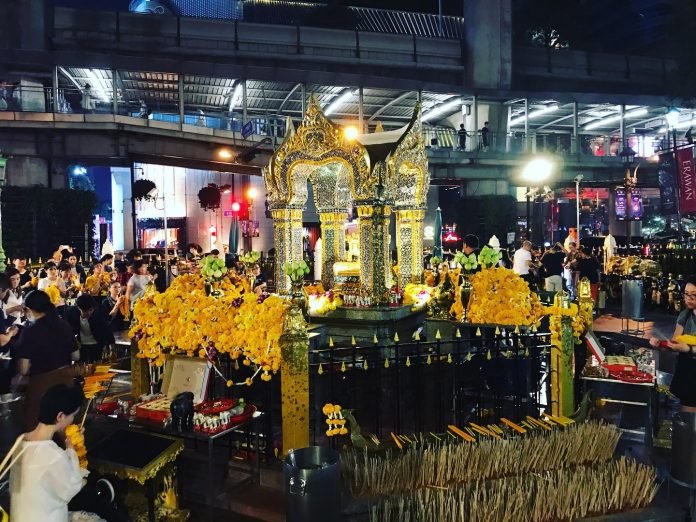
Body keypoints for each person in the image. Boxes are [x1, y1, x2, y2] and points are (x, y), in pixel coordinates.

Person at [9, 383, 86, 522]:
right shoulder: (52, 454)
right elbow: (71, 487)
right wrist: (71, 449)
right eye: (72, 415)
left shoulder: (21, 441)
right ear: (60, 416)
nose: (72, 420)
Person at [14, 290, 79, 430]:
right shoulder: (64, 325)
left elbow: (24, 369)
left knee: (40, 427)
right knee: (66, 428)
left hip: (42, 387)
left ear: (30, 309)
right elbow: (76, 356)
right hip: (66, 382)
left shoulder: (30, 331)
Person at [650, 280, 696, 412]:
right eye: (686, 294)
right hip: (687, 369)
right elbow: (675, 342)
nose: (689, 298)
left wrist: (687, 348)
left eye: (694, 295)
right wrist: (661, 345)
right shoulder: (685, 315)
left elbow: (683, 347)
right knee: (687, 413)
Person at [66, 294, 115, 364]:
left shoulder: (100, 312)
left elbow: (108, 330)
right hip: (81, 346)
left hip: (97, 344)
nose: (88, 313)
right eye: (84, 311)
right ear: (78, 308)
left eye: (90, 310)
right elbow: (69, 331)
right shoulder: (72, 313)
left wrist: (112, 349)